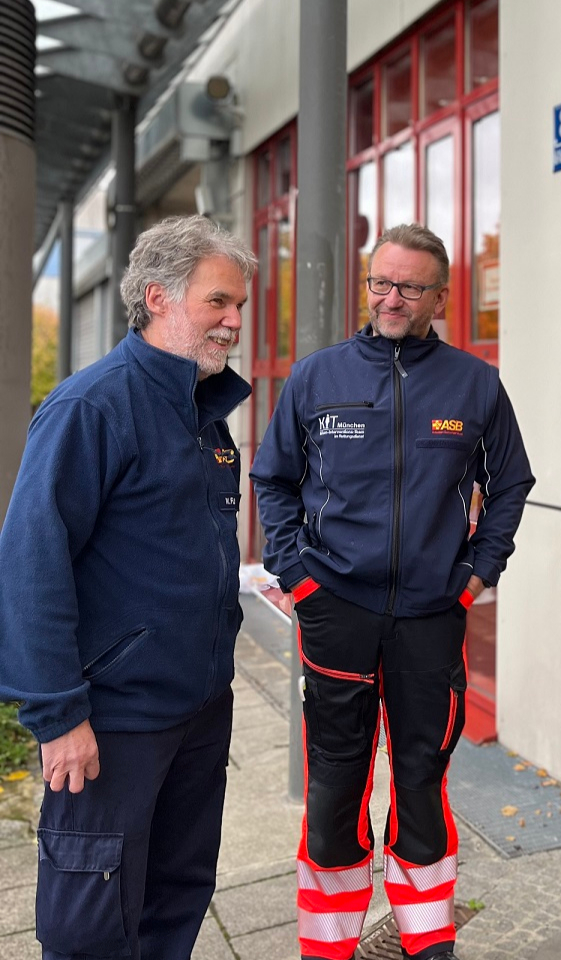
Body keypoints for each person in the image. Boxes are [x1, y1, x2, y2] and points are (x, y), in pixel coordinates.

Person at [250, 223, 534, 960]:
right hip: (334, 610)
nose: (391, 298)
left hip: (431, 616)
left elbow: (510, 483)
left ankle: (427, 939)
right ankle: (328, 944)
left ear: (441, 294)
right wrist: (298, 576)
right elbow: (272, 480)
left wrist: (478, 571)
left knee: (422, 775)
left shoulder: (474, 383)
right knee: (336, 780)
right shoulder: (316, 377)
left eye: (410, 286)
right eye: (381, 282)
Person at [0, 215, 255, 959]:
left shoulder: (204, 410)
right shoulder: (92, 407)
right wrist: (56, 715)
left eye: (238, 305)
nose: (234, 321)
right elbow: (30, 564)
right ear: (157, 297)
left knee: (174, 900)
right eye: (218, 303)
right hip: (112, 724)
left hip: (199, 710)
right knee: (91, 928)